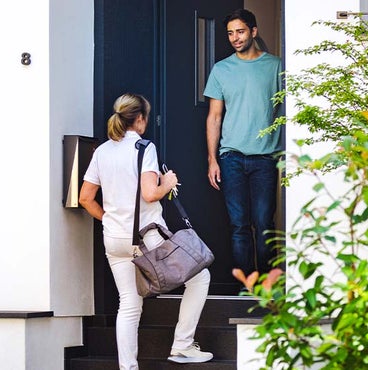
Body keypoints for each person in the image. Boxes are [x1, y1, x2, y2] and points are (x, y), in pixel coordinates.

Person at [79, 93, 213, 369]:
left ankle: (128, 367)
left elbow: (85, 198)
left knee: (128, 305)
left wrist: (109, 219)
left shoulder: (102, 151)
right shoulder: (143, 148)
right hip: (145, 236)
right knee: (200, 278)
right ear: (140, 119)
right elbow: (151, 194)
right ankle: (183, 345)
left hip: (114, 239)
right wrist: (169, 182)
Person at [204, 9, 283, 278]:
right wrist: (212, 159)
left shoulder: (275, 66)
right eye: (230, 33)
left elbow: (286, 110)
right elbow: (214, 117)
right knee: (239, 225)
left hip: (265, 158)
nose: (235, 38)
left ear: (253, 31)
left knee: (263, 224)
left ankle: (268, 283)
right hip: (231, 157)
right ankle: (247, 286)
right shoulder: (221, 69)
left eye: (240, 31)